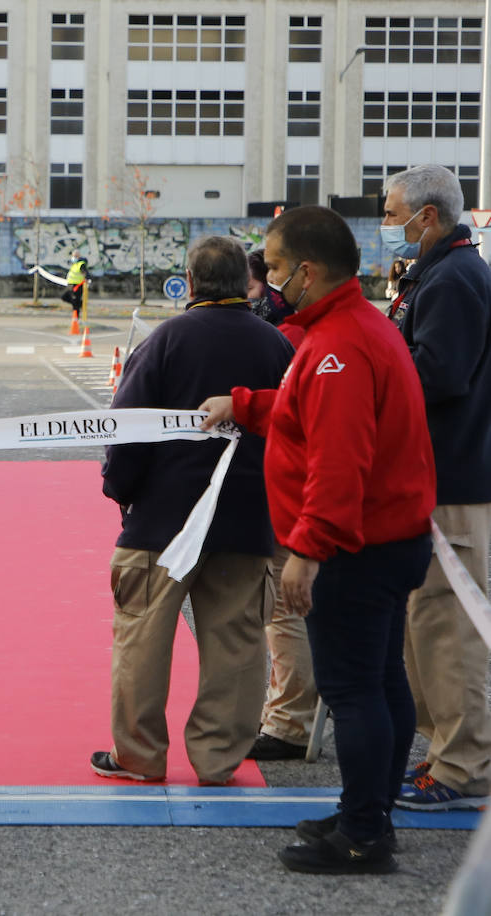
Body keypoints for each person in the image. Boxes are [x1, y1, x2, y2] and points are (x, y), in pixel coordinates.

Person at [201, 205, 436, 875]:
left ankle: (364, 833)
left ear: (306, 270)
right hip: (390, 538)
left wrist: (307, 551)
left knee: (354, 688)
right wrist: (246, 403)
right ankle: (371, 807)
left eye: (274, 268)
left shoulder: (338, 347)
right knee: (382, 680)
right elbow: (308, 410)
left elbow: (339, 462)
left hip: (356, 548)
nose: (269, 282)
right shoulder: (354, 330)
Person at [94, 236, 293, 786]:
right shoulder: (276, 346)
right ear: (244, 282)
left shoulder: (166, 341)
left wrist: (120, 490)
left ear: (190, 279)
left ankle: (138, 755)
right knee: (237, 643)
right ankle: (218, 758)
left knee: (142, 638)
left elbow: (126, 429)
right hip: (248, 516)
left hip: (163, 519)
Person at [381, 164, 491, 813]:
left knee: (450, 630)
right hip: (435, 479)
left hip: (454, 480)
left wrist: (369, 389)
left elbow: (435, 375)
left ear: (428, 216)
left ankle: (464, 765)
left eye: (394, 214)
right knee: (425, 625)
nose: (387, 225)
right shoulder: (440, 273)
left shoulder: (453, 279)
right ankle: (445, 752)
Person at [242, 246, 314, 762]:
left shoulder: (287, 337)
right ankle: (289, 715)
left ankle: (289, 723)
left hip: (291, 495)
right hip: (295, 492)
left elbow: (288, 413)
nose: (259, 291)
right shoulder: (303, 331)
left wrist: (239, 402)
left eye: (264, 280)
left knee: (285, 611)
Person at [62, 249, 89, 317]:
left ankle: (76, 317)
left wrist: (86, 278)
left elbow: (85, 272)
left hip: (78, 285)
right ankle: (80, 304)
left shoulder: (81, 264)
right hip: (71, 284)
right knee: (65, 297)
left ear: (78, 256)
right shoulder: (75, 264)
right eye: (73, 256)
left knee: (75, 300)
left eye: (75, 256)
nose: (73, 257)